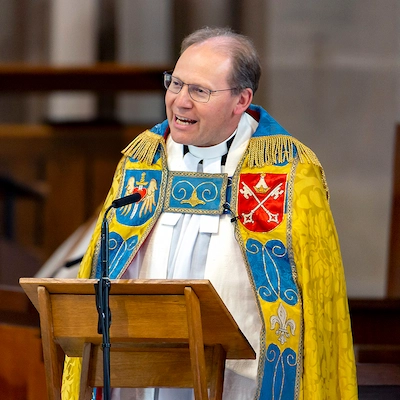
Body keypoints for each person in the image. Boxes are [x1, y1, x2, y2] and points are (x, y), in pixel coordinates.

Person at [61, 27, 358, 400]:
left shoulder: (288, 173)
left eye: (199, 91)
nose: (180, 102)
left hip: (240, 381)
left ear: (241, 100)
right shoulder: (143, 162)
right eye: (175, 84)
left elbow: (318, 302)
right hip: (141, 372)